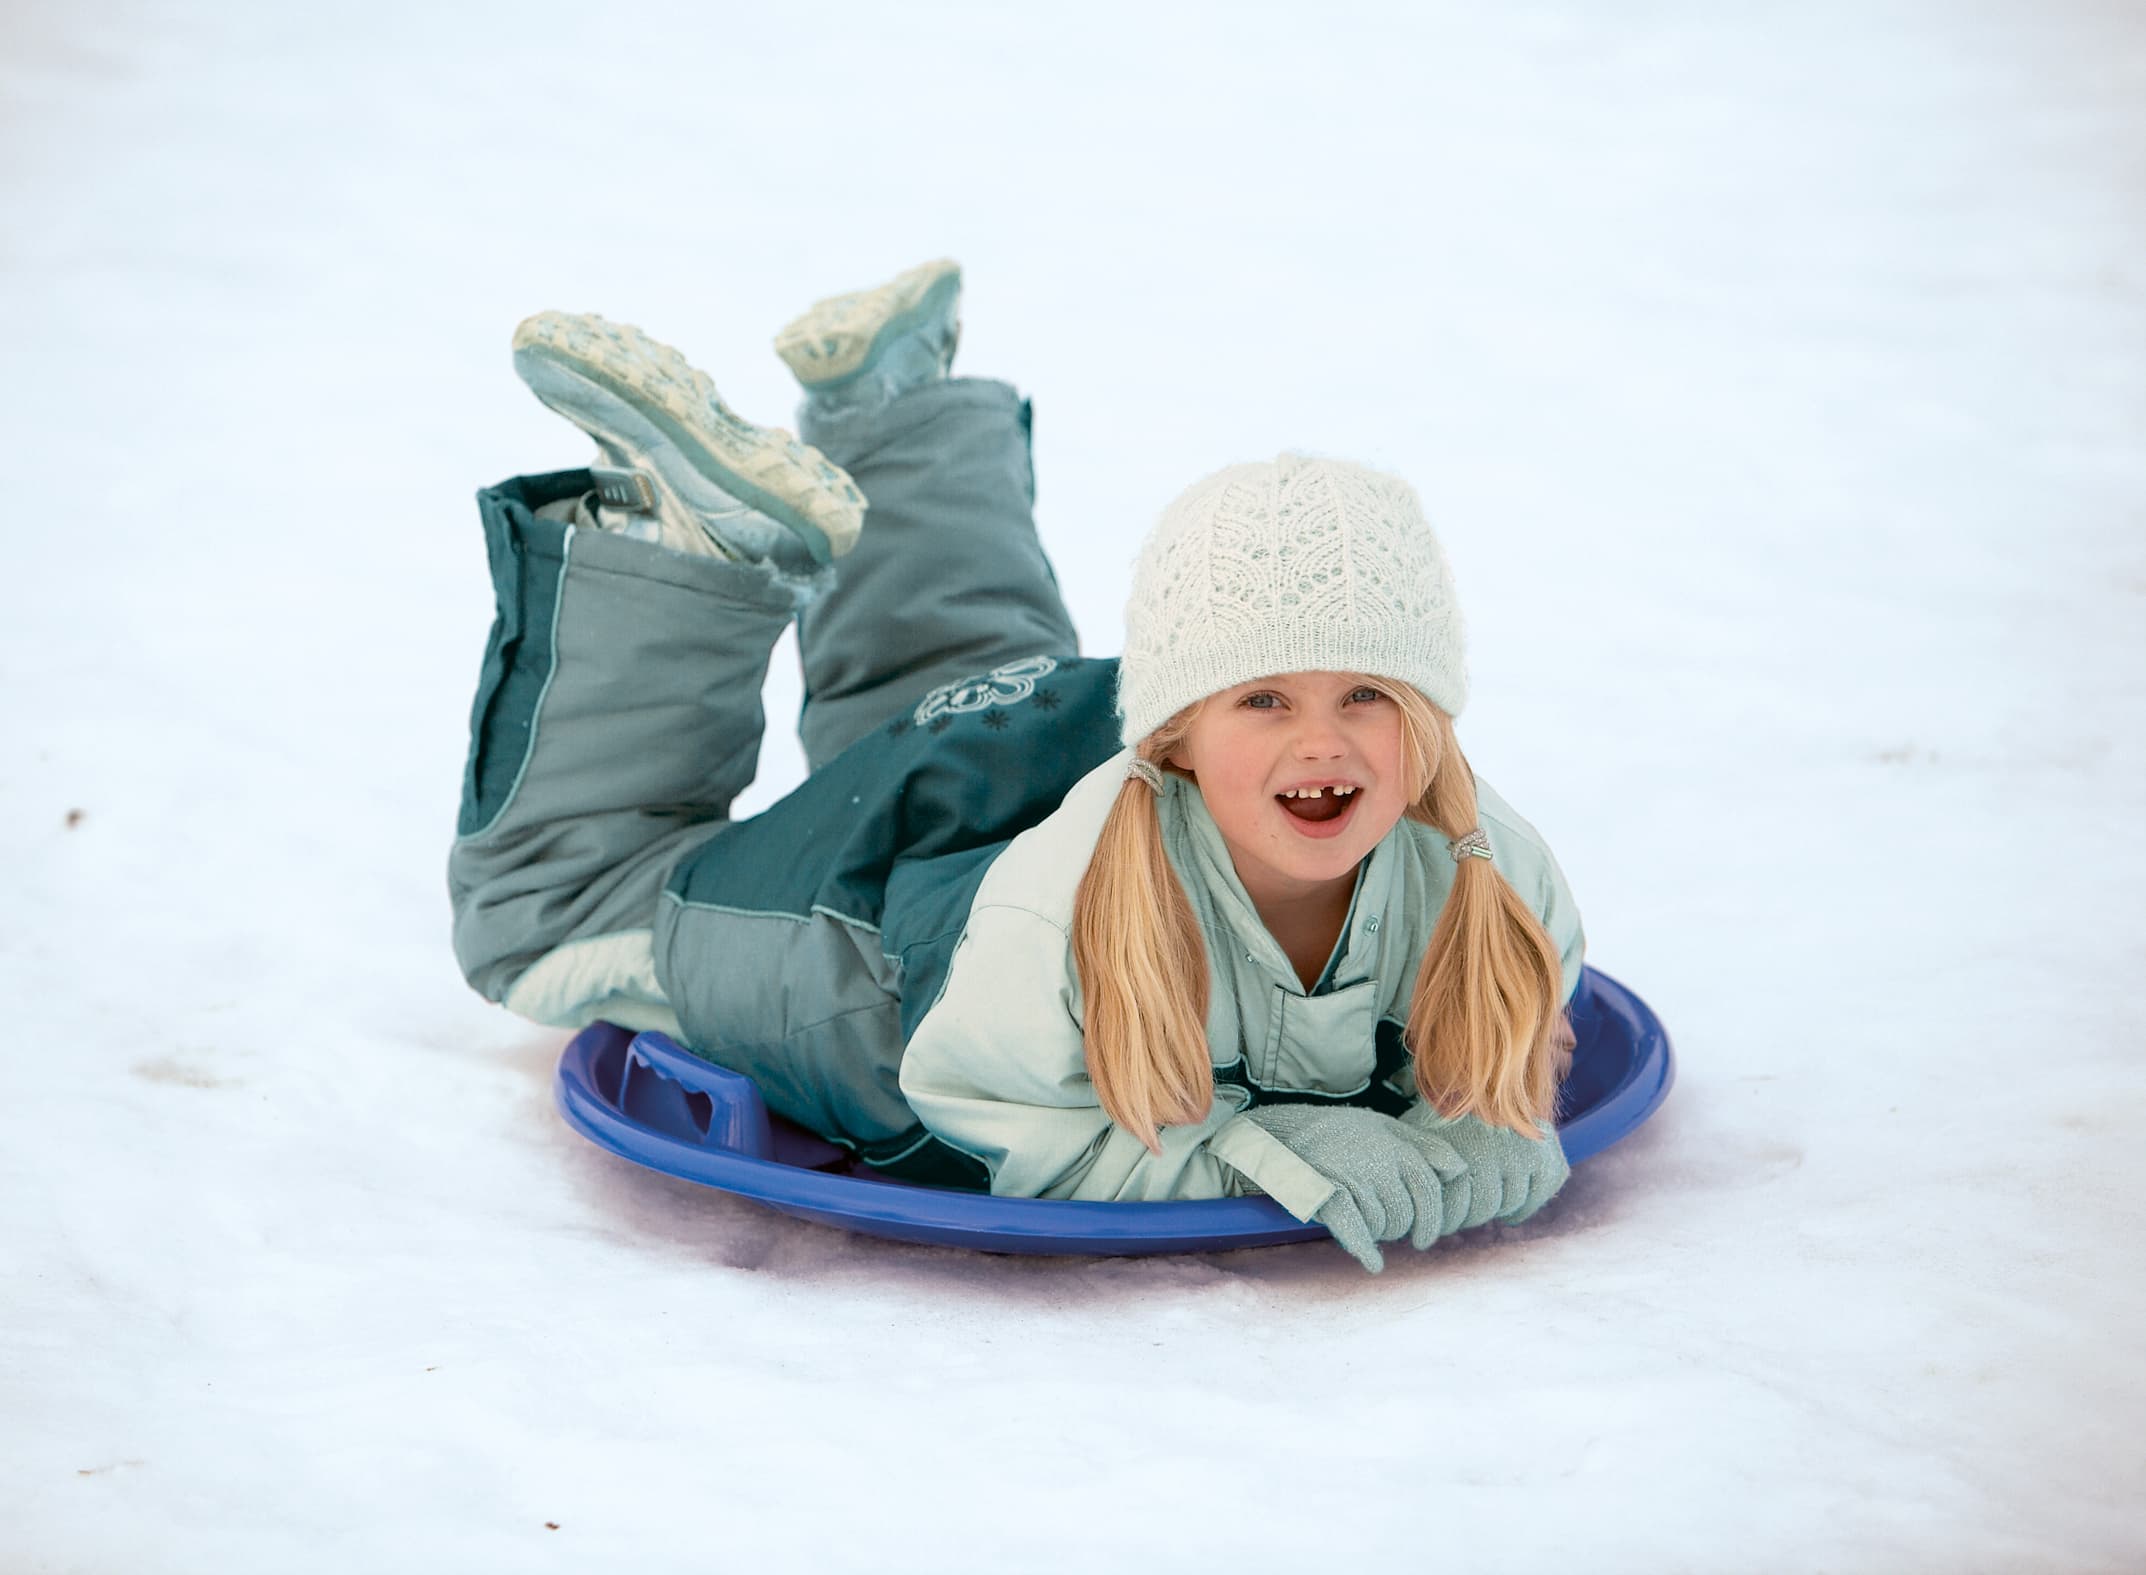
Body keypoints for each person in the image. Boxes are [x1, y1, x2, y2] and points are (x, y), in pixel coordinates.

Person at [448, 259, 1584, 1272]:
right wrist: (1253, 1151)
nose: (1324, 741)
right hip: (870, 965)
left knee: (960, 678)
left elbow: (1520, 1034)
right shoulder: (1058, 927)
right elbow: (1004, 1124)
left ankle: (896, 413)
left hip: (1022, 757)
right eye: (1266, 698)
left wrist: (1477, 1120)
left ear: (1433, 725)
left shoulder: (1501, 878)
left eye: (1370, 695)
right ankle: (673, 550)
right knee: (545, 918)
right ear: (1171, 734)